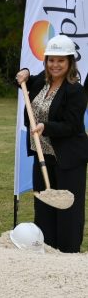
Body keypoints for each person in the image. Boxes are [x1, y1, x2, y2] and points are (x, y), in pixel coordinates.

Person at [15, 35, 88, 253]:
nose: (55, 65)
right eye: (51, 60)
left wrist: (46, 127)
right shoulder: (40, 81)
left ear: (69, 63)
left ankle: (67, 253)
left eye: (60, 61)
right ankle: (47, 249)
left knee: (68, 209)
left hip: (69, 158)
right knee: (44, 206)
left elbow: (72, 125)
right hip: (42, 154)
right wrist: (25, 72)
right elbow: (20, 81)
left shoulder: (75, 90)